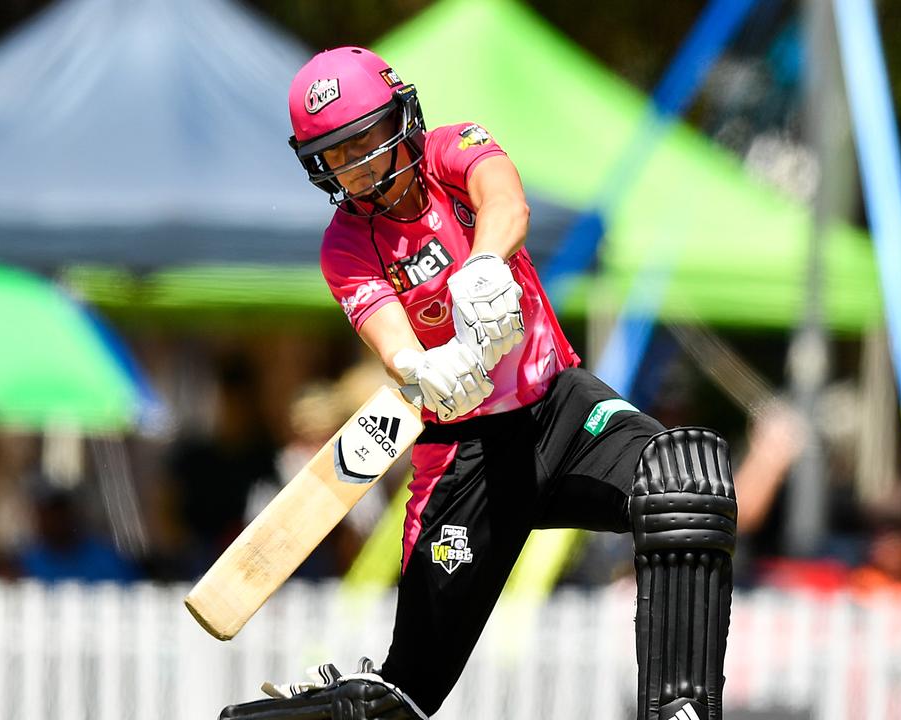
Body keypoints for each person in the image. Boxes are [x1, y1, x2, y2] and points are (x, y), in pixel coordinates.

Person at [221, 48, 738, 720]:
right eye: (340, 155)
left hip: (560, 411)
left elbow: (505, 200)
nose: (364, 165)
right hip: (462, 462)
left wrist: (486, 266)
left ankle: (680, 711)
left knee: (685, 481)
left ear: (401, 118)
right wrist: (420, 369)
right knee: (398, 700)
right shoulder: (346, 244)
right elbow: (390, 337)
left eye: (369, 140)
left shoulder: (450, 149)